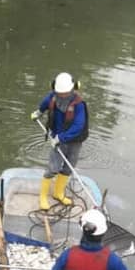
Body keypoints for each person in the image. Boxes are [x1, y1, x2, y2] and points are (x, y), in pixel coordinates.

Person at [30, 72, 89, 211]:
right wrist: (39, 112)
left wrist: (61, 138)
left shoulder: (79, 105)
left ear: (73, 89)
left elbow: (78, 126)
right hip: (57, 137)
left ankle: (58, 193)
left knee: (69, 167)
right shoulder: (52, 97)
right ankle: (43, 197)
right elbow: (44, 104)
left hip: (74, 140)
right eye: (59, 92)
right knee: (53, 168)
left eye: (65, 93)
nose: (61, 95)